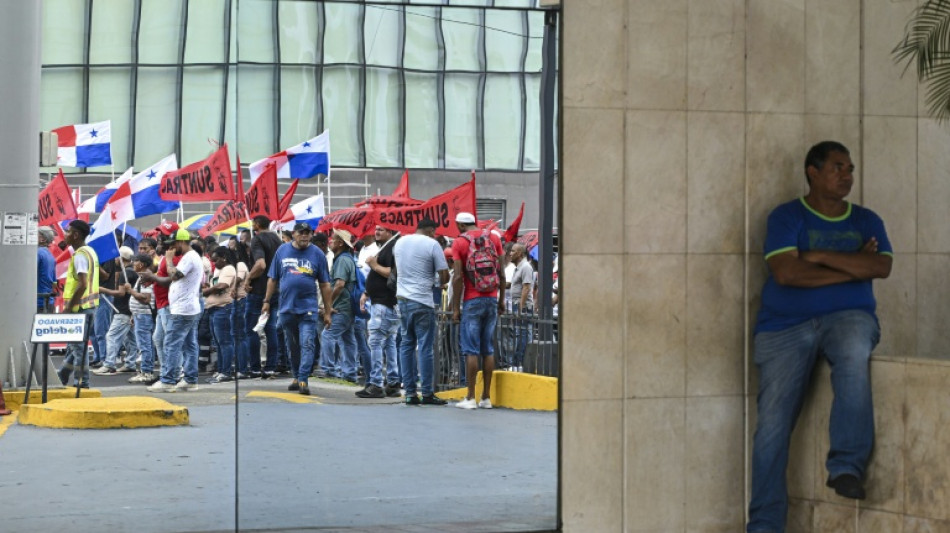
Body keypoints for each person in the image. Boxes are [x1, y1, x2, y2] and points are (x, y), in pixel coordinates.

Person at [746, 141, 893, 533]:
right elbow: (787, 274)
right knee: (771, 430)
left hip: (849, 317)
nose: (847, 175)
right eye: (837, 167)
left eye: (850, 169)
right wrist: (852, 267)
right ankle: (764, 526)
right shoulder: (787, 216)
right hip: (783, 326)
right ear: (812, 172)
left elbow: (880, 267)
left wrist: (815, 256)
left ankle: (846, 466)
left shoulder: (866, 220)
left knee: (853, 355)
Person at [263, 222, 333, 395]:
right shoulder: (282, 251)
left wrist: (328, 311)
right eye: (301, 232)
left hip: (308, 308)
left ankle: (303, 379)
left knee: (307, 343)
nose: (305, 236)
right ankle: (296, 375)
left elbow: (325, 284)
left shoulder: (317, 254)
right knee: (292, 345)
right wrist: (266, 301)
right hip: (286, 308)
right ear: (293, 234)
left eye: (308, 233)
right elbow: (272, 279)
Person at [451, 212, 505, 410]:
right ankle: (486, 398)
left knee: (471, 350)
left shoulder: (459, 243)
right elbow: (501, 272)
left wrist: (456, 307)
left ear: (460, 225)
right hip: (491, 299)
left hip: (472, 300)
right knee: (487, 349)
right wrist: (502, 300)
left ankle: (470, 397)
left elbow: (457, 277)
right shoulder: (493, 238)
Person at [393, 218, 449, 406]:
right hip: (422, 300)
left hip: (402, 299)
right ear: (431, 230)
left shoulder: (400, 242)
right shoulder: (432, 244)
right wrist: (440, 280)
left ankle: (409, 392)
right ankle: (426, 392)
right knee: (425, 346)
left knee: (406, 344)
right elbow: (444, 274)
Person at [147, 229, 204, 393]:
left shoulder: (189, 257)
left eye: (173, 245)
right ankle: (190, 379)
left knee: (172, 343)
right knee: (189, 344)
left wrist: (169, 260)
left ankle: (168, 380)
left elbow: (174, 275)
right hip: (187, 307)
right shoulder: (192, 257)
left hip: (183, 309)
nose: (171, 249)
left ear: (181, 242)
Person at [357, 225, 401, 398]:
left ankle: (376, 383)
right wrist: (367, 292)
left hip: (384, 304)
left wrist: (374, 265)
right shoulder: (384, 247)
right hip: (382, 303)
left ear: (390, 232)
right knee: (389, 342)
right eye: (376, 230)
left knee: (375, 342)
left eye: (381, 230)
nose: (376, 232)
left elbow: (393, 273)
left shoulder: (394, 247)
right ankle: (392, 382)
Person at [56, 220, 100, 389]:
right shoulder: (90, 252)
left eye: (68, 232)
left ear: (76, 235)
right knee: (74, 346)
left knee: (78, 348)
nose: (65, 235)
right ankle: (62, 376)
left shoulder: (80, 255)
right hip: (90, 306)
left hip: (79, 308)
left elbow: (82, 283)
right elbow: (100, 275)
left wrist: (68, 307)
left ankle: (82, 383)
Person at [243, 215, 282, 378]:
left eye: (253, 223)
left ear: (257, 225)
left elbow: (260, 264)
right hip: (275, 290)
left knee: (252, 330)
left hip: (259, 290)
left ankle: (255, 367)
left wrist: (248, 278)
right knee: (270, 328)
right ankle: (271, 366)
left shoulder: (257, 240)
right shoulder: (278, 240)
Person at [320, 229, 359, 383]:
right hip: (347, 306)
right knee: (348, 339)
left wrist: (328, 304)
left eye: (333, 239)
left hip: (342, 306)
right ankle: (350, 372)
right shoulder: (345, 258)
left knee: (327, 335)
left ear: (340, 243)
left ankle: (330, 369)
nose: (330, 241)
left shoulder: (342, 260)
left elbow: (339, 285)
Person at [93, 247, 139, 375]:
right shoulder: (132, 271)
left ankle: (109, 364)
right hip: (129, 310)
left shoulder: (127, 273)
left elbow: (120, 293)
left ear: (120, 258)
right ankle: (130, 363)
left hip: (123, 310)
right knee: (131, 339)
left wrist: (102, 289)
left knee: (111, 336)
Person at [204, 247, 237, 383]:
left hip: (223, 308)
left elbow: (222, 285)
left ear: (224, 258)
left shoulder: (228, 269)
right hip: (214, 309)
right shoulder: (219, 270)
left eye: (216, 260)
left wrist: (207, 291)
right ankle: (221, 370)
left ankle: (226, 372)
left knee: (224, 342)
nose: (214, 263)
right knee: (218, 343)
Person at [127, 254, 158, 384]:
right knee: (146, 344)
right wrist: (133, 314)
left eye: (135, 262)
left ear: (142, 264)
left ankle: (146, 371)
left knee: (144, 345)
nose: (133, 264)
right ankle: (146, 370)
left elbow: (146, 299)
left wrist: (130, 291)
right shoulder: (142, 276)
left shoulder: (146, 277)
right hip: (140, 314)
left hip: (144, 315)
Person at [507, 242, 534, 371]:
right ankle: (518, 363)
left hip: (523, 306)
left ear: (520, 254)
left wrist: (521, 308)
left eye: (512, 251)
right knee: (519, 335)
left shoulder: (526, 267)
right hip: (517, 305)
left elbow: (526, 288)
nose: (510, 254)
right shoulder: (518, 267)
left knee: (523, 335)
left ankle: (520, 364)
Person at [36, 226, 57, 312]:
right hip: (48, 301)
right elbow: (54, 283)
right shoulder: (51, 256)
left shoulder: (38, 253)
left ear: (42, 239)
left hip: (38, 302)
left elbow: (28, 275)